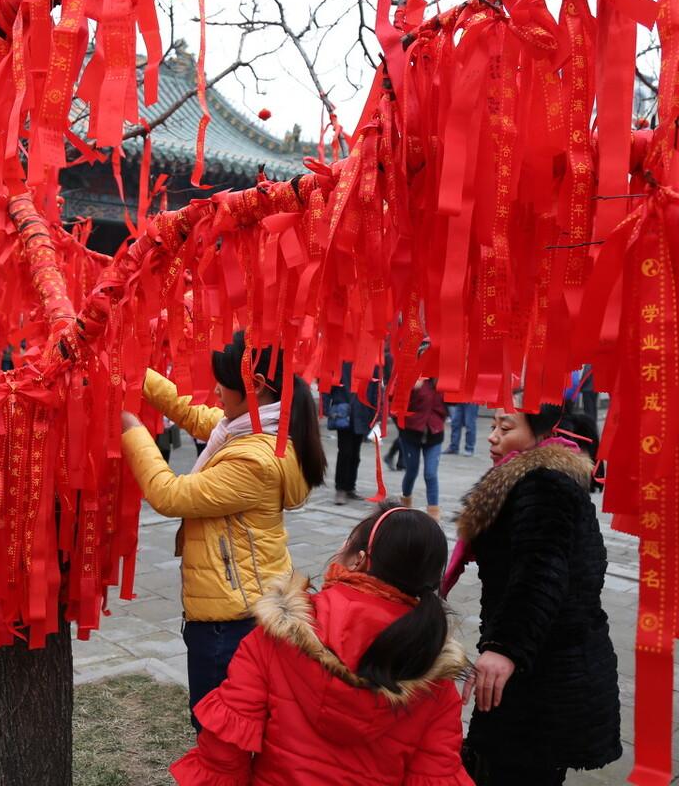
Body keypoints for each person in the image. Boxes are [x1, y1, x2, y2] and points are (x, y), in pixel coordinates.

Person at [170, 504, 473, 785]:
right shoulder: (432, 671)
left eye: (348, 541)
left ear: (359, 559)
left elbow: (224, 750)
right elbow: (436, 775)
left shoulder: (279, 632)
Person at [120, 329, 327, 729]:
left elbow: (169, 494)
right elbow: (195, 414)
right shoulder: (258, 428)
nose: (215, 391)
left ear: (257, 387)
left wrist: (131, 428)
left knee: (221, 733)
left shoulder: (255, 458)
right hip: (244, 603)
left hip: (230, 621)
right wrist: (132, 372)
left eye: (223, 383)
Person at [455, 400, 621, 784]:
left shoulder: (543, 484)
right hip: (542, 666)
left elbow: (541, 572)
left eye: (506, 428)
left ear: (540, 432)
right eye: (493, 426)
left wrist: (504, 648)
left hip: (546, 678)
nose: (493, 437)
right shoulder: (531, 477)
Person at [396, 351, 447, 520]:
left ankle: (434, 515)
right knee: (411, 471)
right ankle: (405, 504)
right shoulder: (412, 377)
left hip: (434, 433)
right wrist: (410, 389)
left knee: (430, 474)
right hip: (411, 433)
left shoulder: (442, 379)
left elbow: (452, 403)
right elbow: (397, 404)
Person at [326, 361, 379, 505]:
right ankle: (340, 488)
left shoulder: (371, 363)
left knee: (355, 454)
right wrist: (327, 408)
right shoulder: (341, 362)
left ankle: (350, 487)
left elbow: (375, 389)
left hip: (362, 412)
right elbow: (328, 384)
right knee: (345, 452)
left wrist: (375, 413)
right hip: (344, 413)